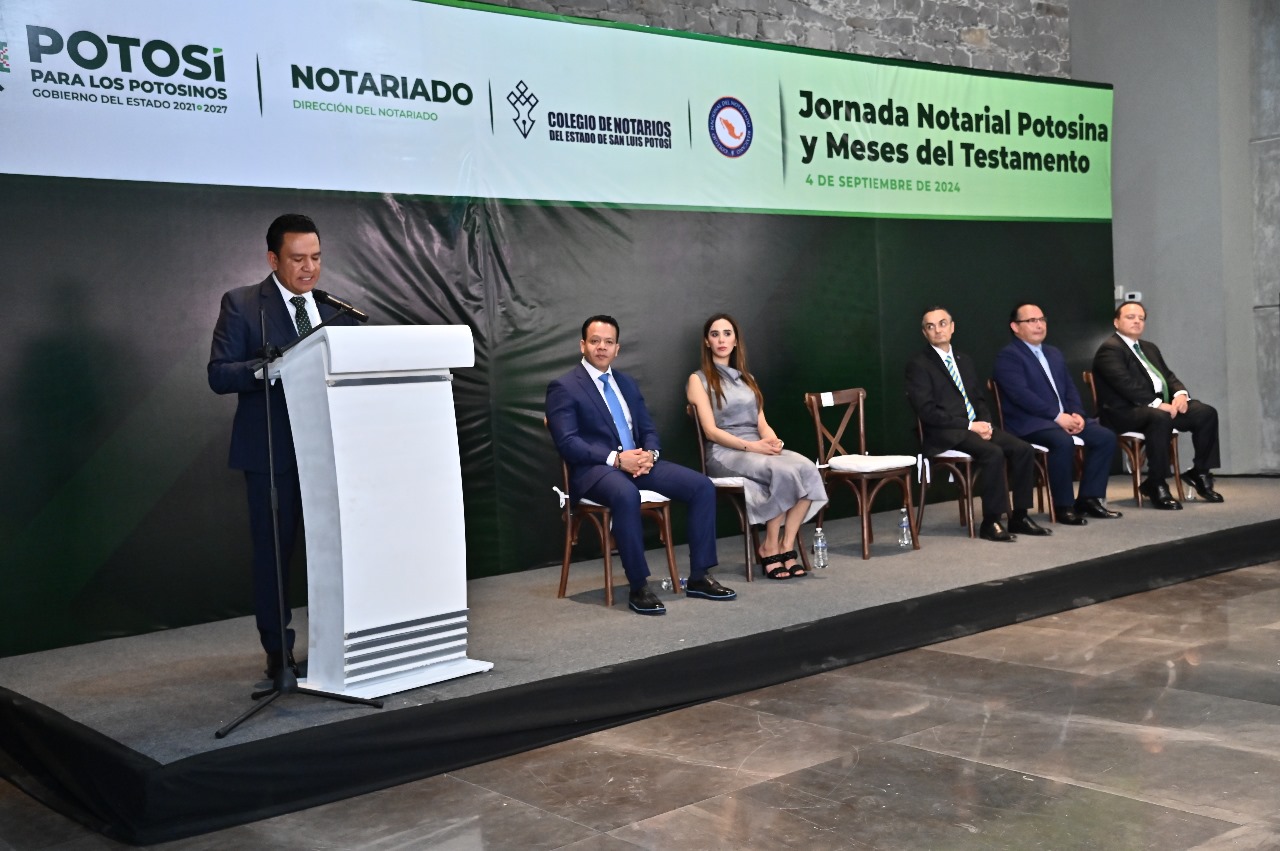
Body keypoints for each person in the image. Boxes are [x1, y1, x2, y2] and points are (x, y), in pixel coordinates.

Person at [208, 214, 362, 678]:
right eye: (298, 259)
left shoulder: (334, 310)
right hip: (273, 455)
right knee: (274, 558)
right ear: (273, 259)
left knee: (335, 555)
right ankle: (279, 655)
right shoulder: (242, 304)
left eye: (316, 257)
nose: (309, 268)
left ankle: (338, 646)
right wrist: (268, 367)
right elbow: (219, 374)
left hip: (330, 454)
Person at [546, 315, 736, 615]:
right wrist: (616, 459)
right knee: (626, 494)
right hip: (596, 471)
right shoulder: (564, 387)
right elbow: (568, 442)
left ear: (617, 348)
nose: (602, 347)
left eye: (608, 342)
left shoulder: (626, 383)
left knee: (701, 486)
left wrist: (651, 455)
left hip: (638, 464)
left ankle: (699, 576)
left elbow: (648, 429)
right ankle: (638, 586)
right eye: (595, 341)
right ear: (583, 345)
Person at [686, 313, 827, 579]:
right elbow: (710, 431)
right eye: (715, 334)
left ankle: (786, 546)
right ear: (707, 341)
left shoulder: (748, 378)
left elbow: (762, 423)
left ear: (736, 340)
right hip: (725, 452)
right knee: (782, 471)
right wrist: (753, 447)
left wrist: (772, 442)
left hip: (757, 447)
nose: (721, 340)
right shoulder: (698, 379)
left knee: (808, 468)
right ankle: (769, 546)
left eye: (727, 334)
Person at [905, 306, 1051, 542]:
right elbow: (927, 412)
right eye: (930, 326)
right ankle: (991, 521)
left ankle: (1020, 516)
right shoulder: (919, 365)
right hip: (946, 433)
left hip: (975, 428)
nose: (938, 330)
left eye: (942, 324)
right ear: (925, 333)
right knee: (993, 453)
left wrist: (985, 424)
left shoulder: (964, 360)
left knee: (1023, 449)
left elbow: (978, 399)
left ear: (952, 327)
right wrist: (969, 426)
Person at [992, 303, 1121, 525]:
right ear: (1015, 326)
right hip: (1030, 423)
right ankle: (1063, 506)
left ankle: (1089, 499)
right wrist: (1057, 417)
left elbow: (1069, 388)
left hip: (1063, 418)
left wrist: (1077, 413)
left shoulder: (1053, 353)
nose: (1039, 325)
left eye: (1042, 320)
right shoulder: (1009, 356)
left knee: (1105, 437)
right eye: (1031, 321)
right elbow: (1021, 395)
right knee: (1062, 441)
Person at [1091, 300, 1223, 509]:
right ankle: (1157, 482)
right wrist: (1157, 404)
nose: (1137, 321)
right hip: (1122, 412)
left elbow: (1168, 376)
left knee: (1205, 413)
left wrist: (1180, 394)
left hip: (1156, 408)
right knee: (1159, 417)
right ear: (1116, 322)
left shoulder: (1149, 348)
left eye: (1141, 318)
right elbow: (1126, 385)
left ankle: (1200, 472)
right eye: (1130, 317)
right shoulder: (1110, 349)